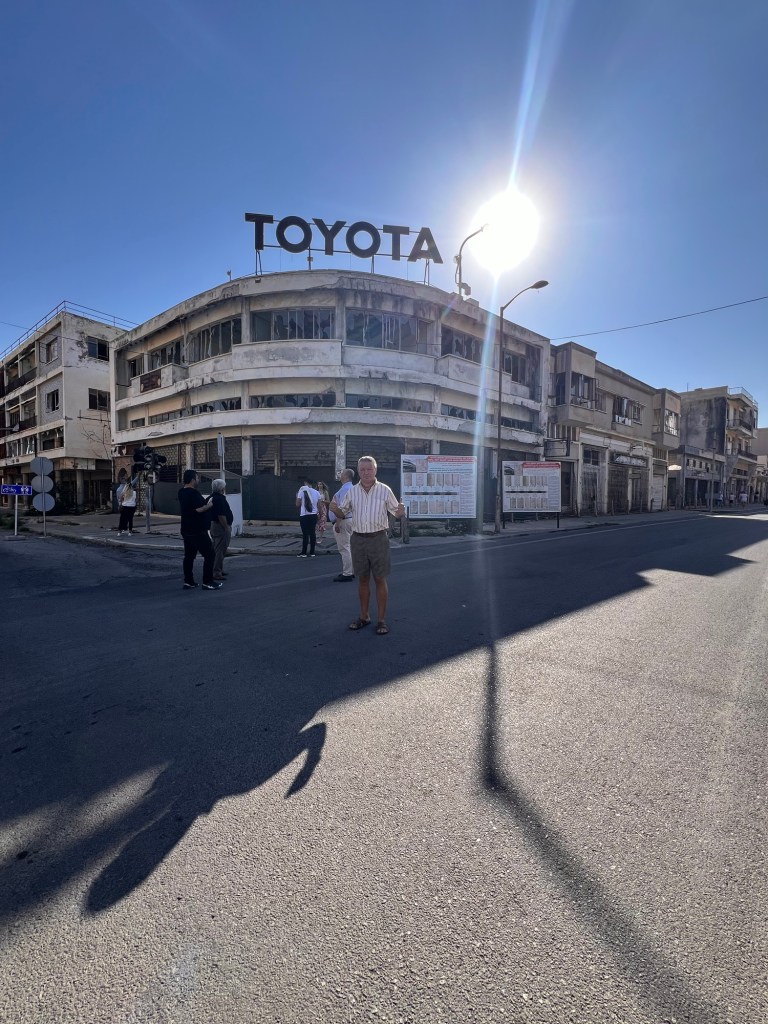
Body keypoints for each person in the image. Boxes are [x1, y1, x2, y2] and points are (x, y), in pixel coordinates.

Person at [329, 455, 405, 635]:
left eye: (369, 469)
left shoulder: (385, 490)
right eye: (362, 469)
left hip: (378, 539)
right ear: (358, 471)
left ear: (375, 470)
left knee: (380, 579)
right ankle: (364, 617)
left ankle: (382, 620)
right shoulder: (352, 492)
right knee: (362, 579)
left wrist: (401, 512)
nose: (366, 472)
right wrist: (334, 509)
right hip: (358, 539)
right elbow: (343, 512)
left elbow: (396, 512)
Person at [178, 470, 222, 590]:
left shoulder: (181, 492)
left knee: (189, 556)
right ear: (193, 480)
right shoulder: (193, 493)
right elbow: (198, 509)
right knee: (210, 554)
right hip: (197, 530)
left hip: (186, 529)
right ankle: (208, 581)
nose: (198, 480)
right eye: (197, 478)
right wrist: (209, 505)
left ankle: (188, 581)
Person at [330, 468, 355, 582]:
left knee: (344, 548)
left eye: (341, 473)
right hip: (350, 520)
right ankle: (351, 571)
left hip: (343, 521)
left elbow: (343, 507)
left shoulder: (345, 489)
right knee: (350, 548)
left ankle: (347, 574)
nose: (340, 475)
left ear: (345, 476)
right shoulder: (352, 488)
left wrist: (338, 522)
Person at [210, 478, 233, 582]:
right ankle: (217, 572)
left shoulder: (212, 497)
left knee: (217, 549)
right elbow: (221, 515)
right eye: (224, 487)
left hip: (214, 526)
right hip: (220, 527)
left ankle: (218, 569)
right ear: (221, 488)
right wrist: (226, 527)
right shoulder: (220, 499)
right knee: (220, 550)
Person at [296, 477, 321, 558]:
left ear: (305, 483)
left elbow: (297, 504)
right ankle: (312, 552)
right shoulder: (317, 492)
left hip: (304, 515)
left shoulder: (301, 491)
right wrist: (319, 515)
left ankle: (303, 552)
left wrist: (297, 497)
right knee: (312, 533)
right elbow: (319, 505)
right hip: (313, 515)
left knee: (305, 534)